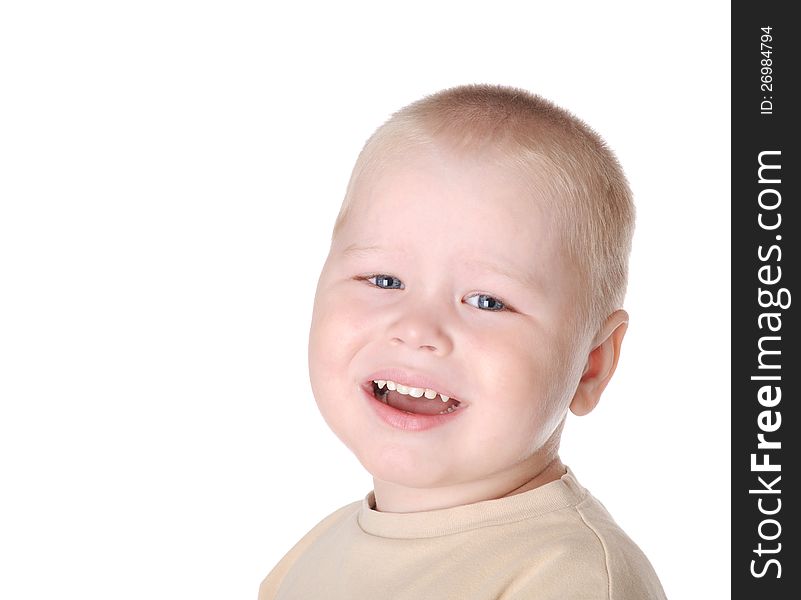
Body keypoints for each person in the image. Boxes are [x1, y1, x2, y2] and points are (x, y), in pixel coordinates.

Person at [259, 84, 667, 599]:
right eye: (384, 281)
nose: (417, 329)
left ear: (591, 364)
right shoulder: (315, 550)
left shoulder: (566, 578)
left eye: (487, 302)